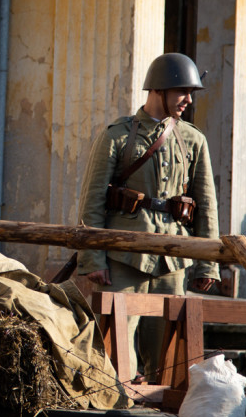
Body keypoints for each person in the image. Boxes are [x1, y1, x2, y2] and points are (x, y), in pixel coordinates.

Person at [77, 52, 219, 382]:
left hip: (172, 260)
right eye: (182, 91)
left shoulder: (193, 140)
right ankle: (116, 415)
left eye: (191, 93)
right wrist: (93, 257)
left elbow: (206, 206)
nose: (187, 100)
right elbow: (93, 200)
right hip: (124, 259)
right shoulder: (117, 136)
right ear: (158, 89)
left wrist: (206, 263)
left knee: (169, 356)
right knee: (113, 350)